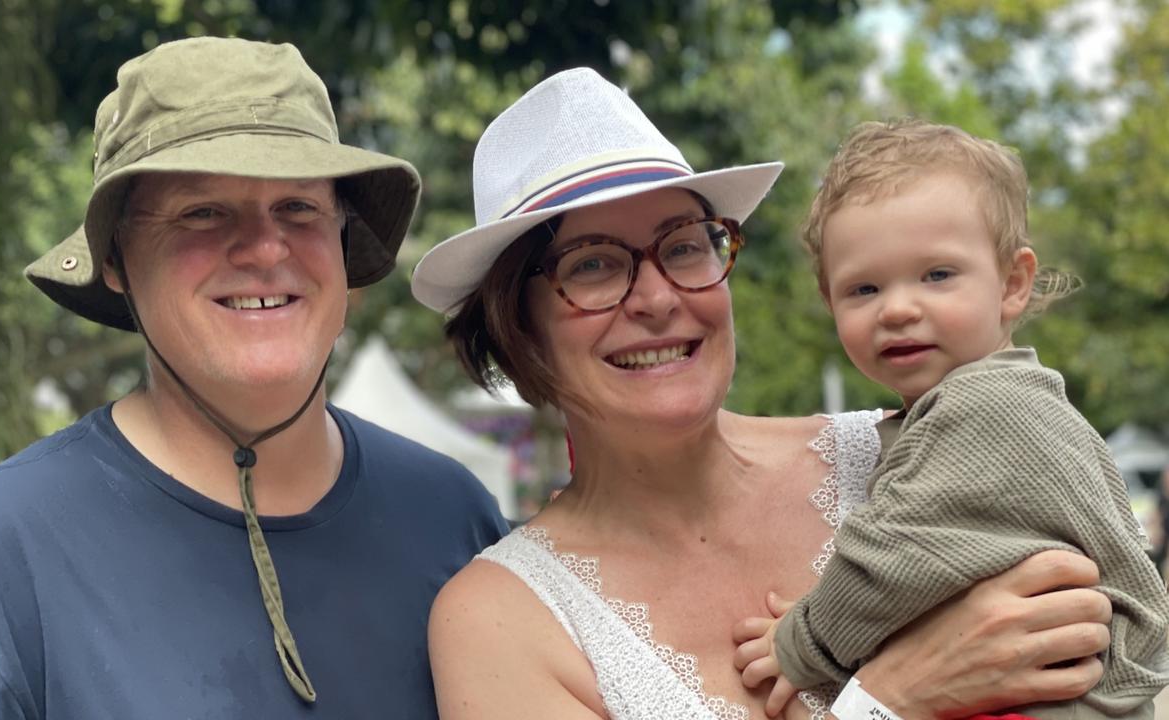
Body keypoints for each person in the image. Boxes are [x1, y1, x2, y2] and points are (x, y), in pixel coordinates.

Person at [412, 68, 1114, 720]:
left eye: (685, 246)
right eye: (592, 264)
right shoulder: (501, 621)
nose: (657, 298)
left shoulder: (925, 446)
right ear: (515, 325)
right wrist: (894, 695)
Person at [0, 37, 506, 718]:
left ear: (342, 240)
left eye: (298, 208)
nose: (265, 248)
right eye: (201, 212)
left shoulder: (451, 516)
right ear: (116, 259)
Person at [734, 118, 1169, 719]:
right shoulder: (1003, 401)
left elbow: (891, 560)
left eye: (937, 275)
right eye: (863, 289)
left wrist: (801, 644)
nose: (898, 309)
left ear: (1012, 284)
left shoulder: (988, 409)